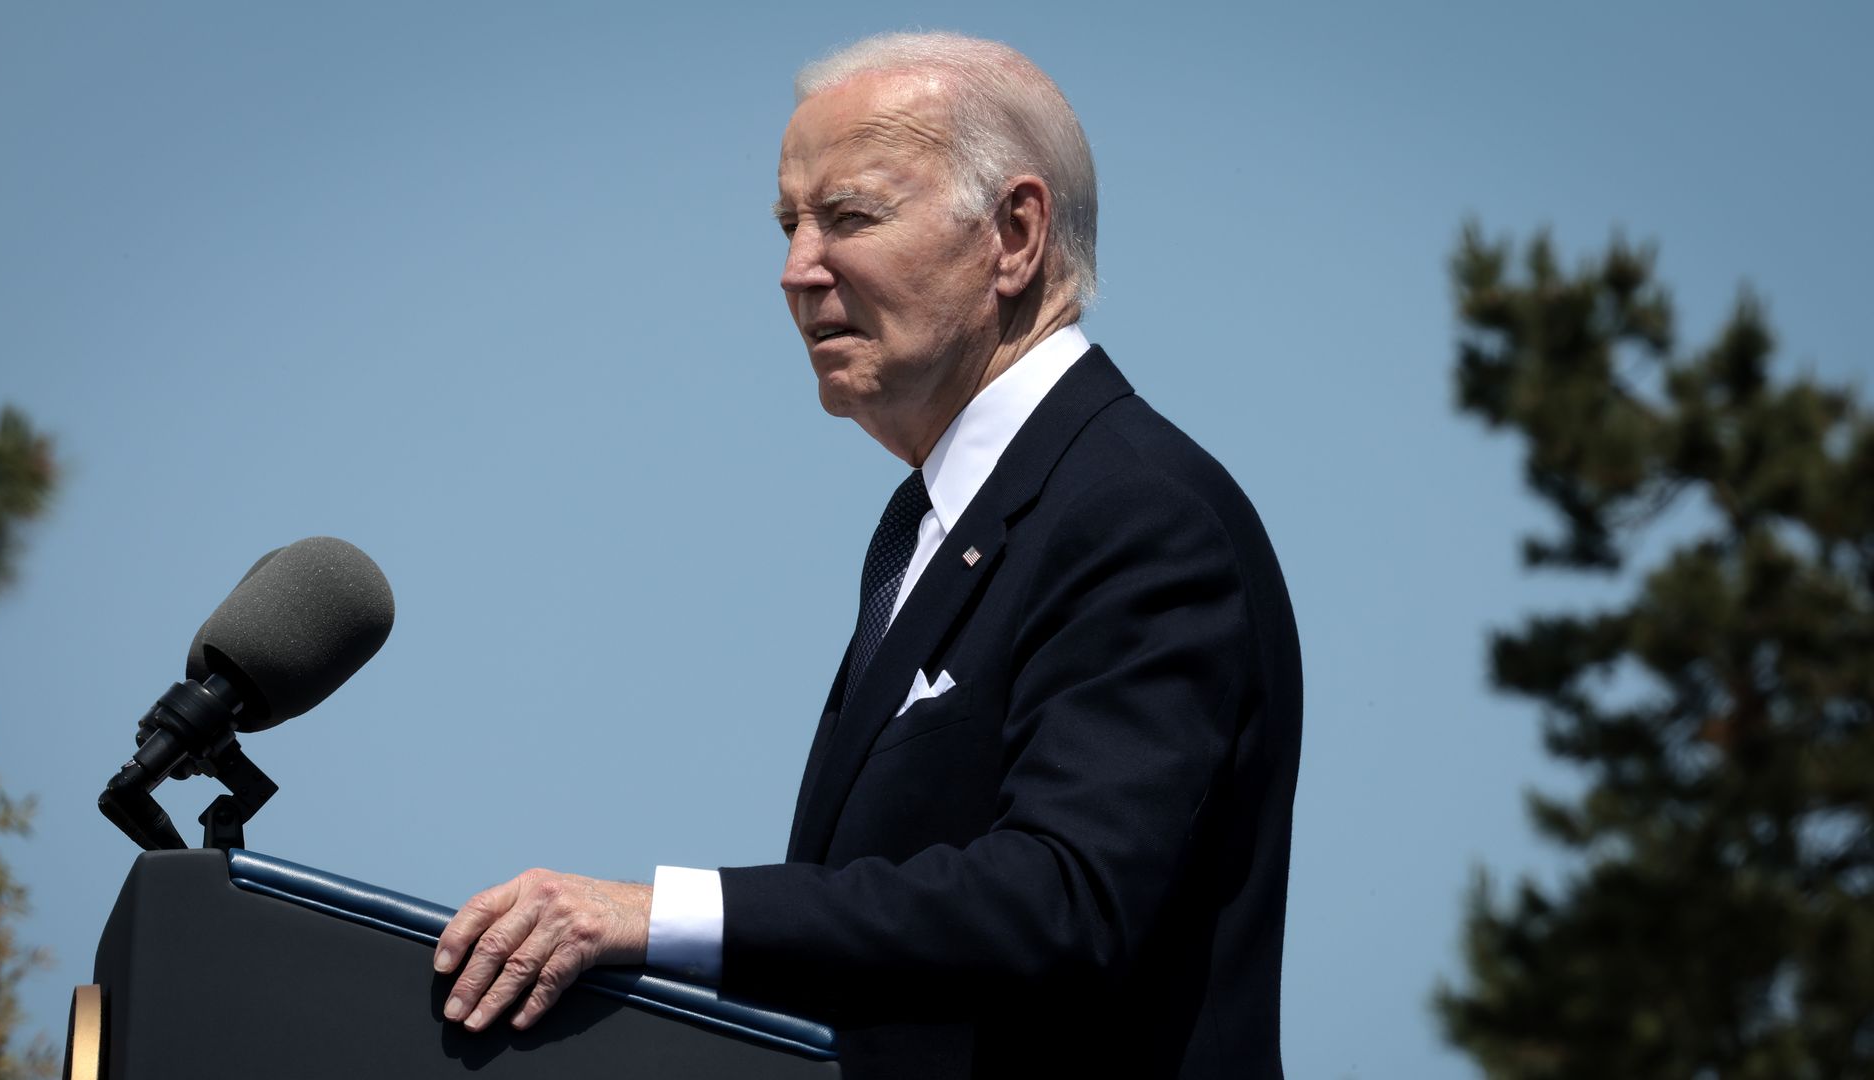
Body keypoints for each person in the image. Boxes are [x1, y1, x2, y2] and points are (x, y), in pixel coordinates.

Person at [434, 31, 1301, 1079]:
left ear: (1014, 234)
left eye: (850, 217)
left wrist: (653, 914)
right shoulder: (934, 524)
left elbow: (1066, 897)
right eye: (789, 225)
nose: (799, 271)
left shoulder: (1135, 512)